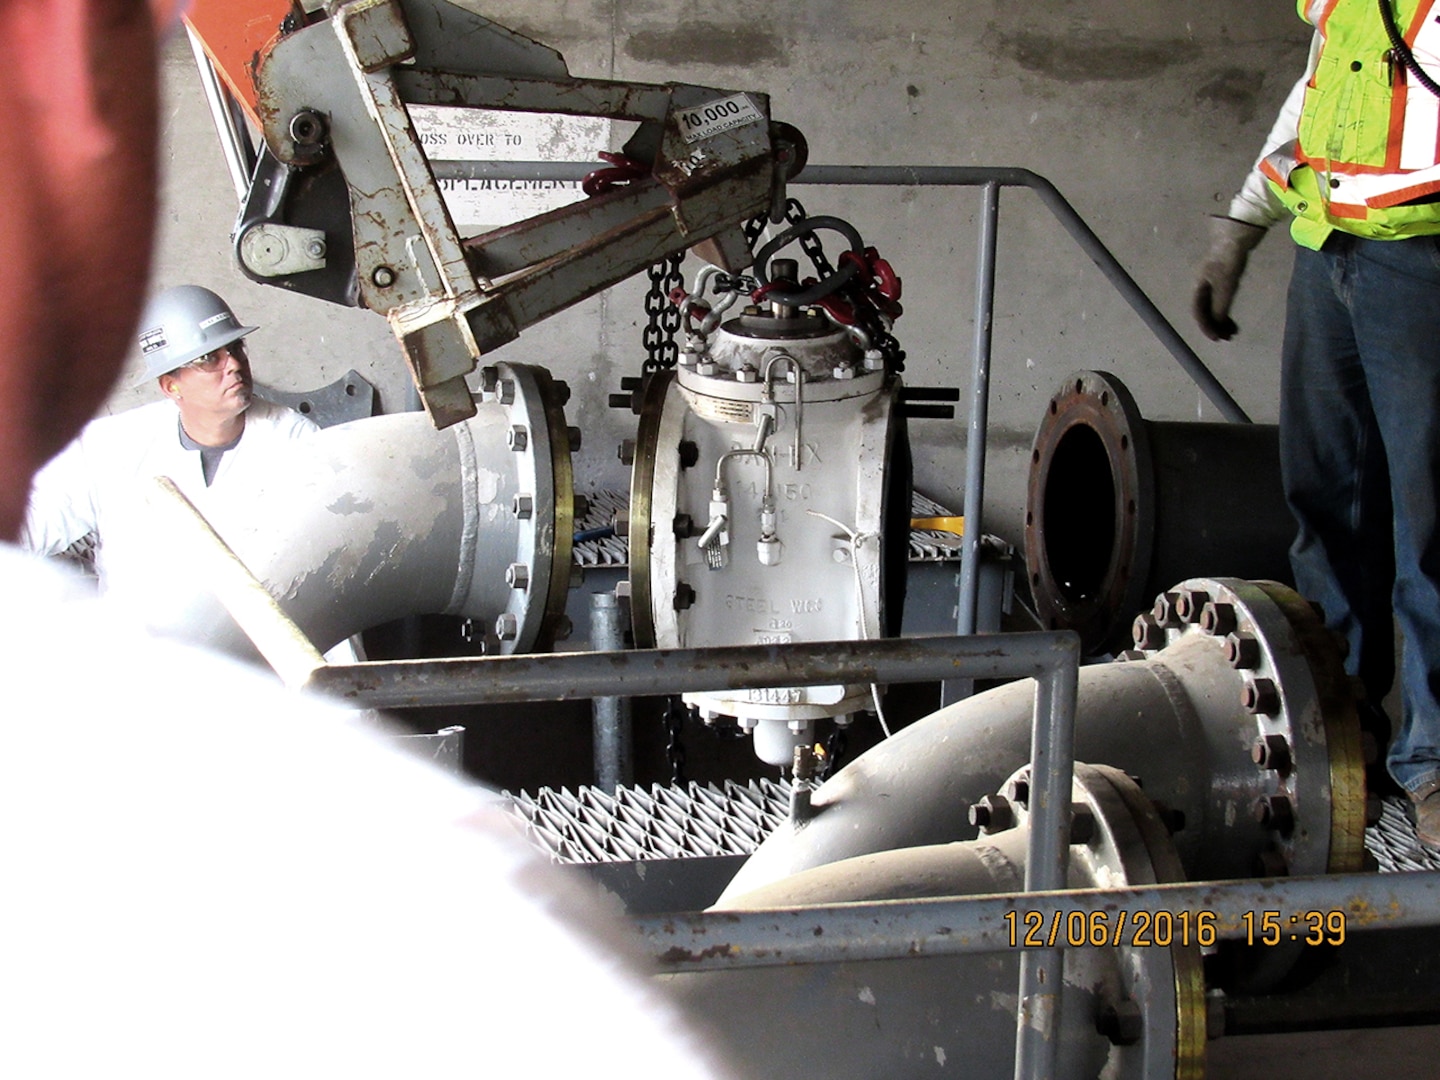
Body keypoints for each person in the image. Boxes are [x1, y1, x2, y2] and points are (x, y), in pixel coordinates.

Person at [0, 0, 737, 1075]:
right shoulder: (438, 917)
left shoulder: (297, 439)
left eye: (233, 355)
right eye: (208, 362)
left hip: (294, 717)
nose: (231, 370)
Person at [1192, 0, 1440, 847]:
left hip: (1424, 262)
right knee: (1327, 502)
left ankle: (1434, 761)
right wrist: (1241, 225)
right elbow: (1315, 95)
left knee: (1431, 522)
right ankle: (1340, 739)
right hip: (1327, 250)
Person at [21, 284, 317, 584]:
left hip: (252, 623)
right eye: (208, 358)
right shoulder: (112, 447)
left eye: (236, 347)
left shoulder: (295, 442)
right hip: (136, 624)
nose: (234, 364)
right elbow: (29, 528)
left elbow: (330, 563)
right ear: (171, 386)